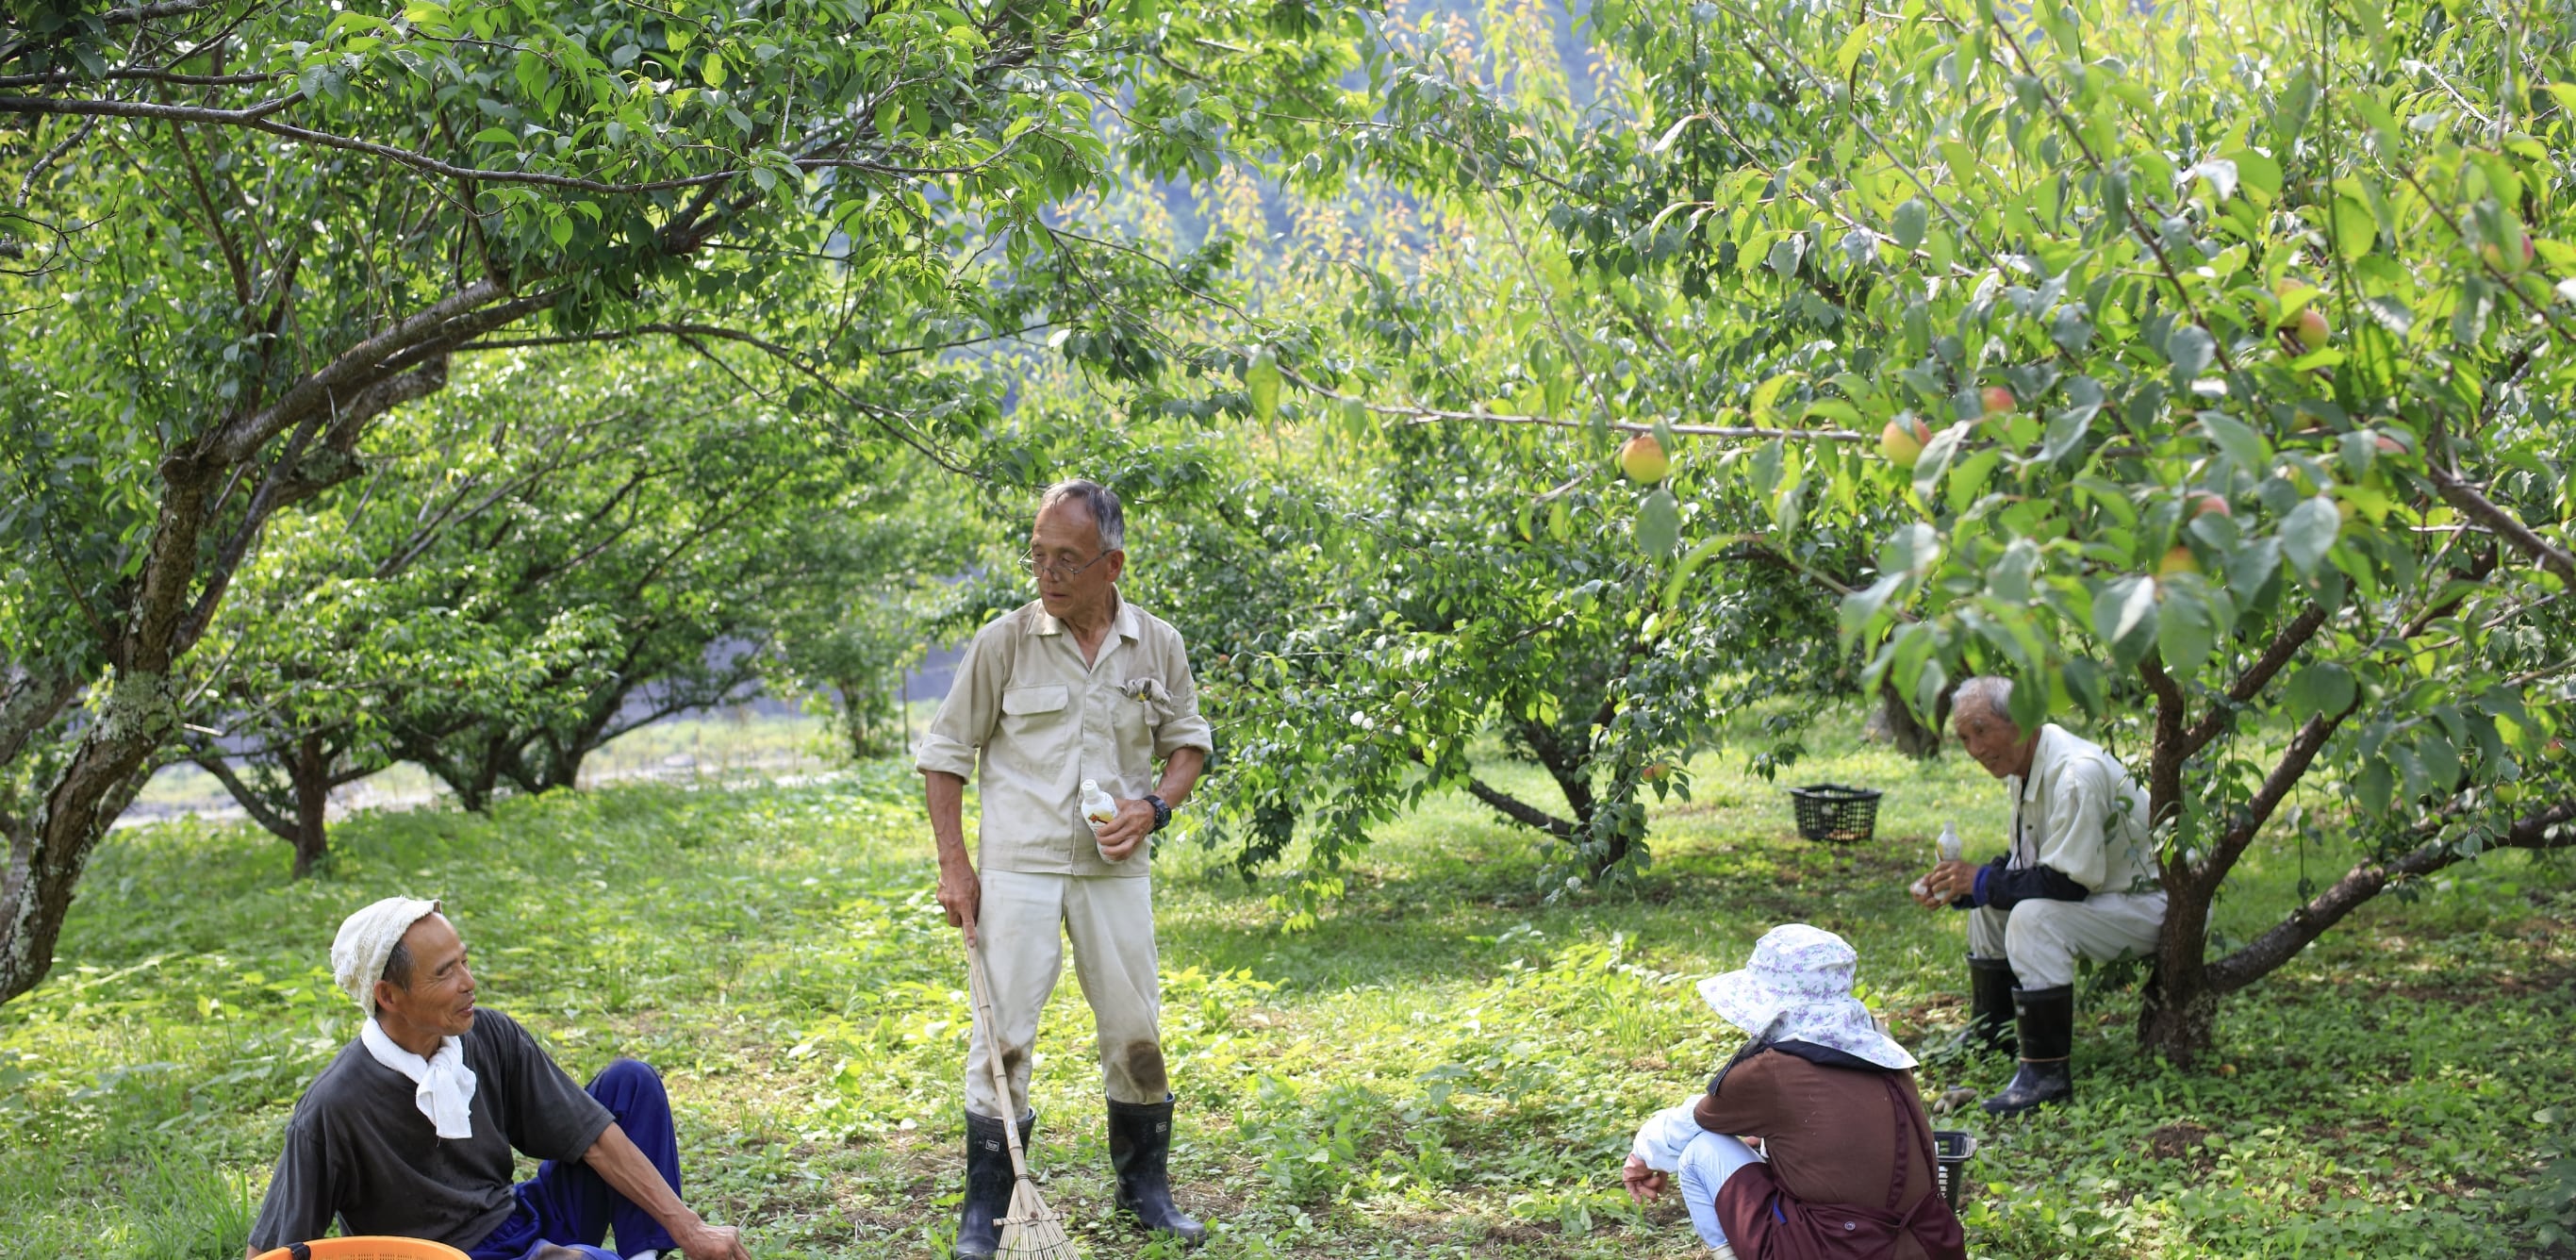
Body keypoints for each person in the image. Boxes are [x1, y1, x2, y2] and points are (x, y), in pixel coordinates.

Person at [916, 478, 1215, 1255]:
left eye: (1067, 560)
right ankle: (987, 1206)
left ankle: (1145, 1190)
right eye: (1038, 555)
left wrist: (1155, 806)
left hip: (1116, 869)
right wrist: (956, 867)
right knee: (1002, 1034)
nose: (1047, 574)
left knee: (1134, 1030)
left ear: (1112, 565)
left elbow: (1189, 743)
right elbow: (945, 756)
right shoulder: (1005, 642)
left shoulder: (1158, 644)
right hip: (1019, 867)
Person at [246, 898, 749, 1260]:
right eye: (445, 973)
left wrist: (690, 1227)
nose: (469, 983)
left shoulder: (486, 1034)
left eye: (464, 961)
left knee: (629, 1084)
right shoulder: (334, 1107)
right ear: (389, 995)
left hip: (518, 1219)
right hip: (444, 1256)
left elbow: (588, 1135)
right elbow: (269, 1252)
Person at [1623, 924, 1965, 1260]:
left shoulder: (1773, 1069)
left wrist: (1642, 1154)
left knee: (1699, 1150)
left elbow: (1689, 1125)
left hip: (1840, 1247)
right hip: (1926, 1243)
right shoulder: (1882, 1051)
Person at [1909, 675, 2165, 1114]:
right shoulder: (2024, 769)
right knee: (1990, 907)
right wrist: (1960, 886)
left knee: (2032, 917)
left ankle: (2045, 1075)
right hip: (2104, 895)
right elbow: (2023, 864)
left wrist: (1982, 881)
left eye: (1982, 731)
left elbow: (2067, 884)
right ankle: (1993, 1031)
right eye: (1964, 737)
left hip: (2150, 906)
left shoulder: (2074, 774)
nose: (1974, 749)